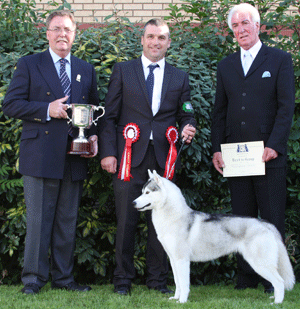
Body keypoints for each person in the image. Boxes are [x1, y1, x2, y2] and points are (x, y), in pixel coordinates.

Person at [2, 10, 99, 294]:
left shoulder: (85, 68)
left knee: (67, 222)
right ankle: (32, 280)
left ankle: (64, 279)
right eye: (56, 29)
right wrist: (47, 109)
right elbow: (11, 104)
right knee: (38, 223)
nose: (62, 34)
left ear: (74, 34)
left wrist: (92, 138)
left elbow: (92, 111)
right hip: (40, 154)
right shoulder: (30, 64)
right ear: (47, 33)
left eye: (68, 30)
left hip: (73, 154)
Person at [99, 18, 196, 295]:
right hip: (129, 158)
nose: (156, 42)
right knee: (126, 221)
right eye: (151, 36)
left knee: (163, 225)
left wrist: (189, 126)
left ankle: (158, 280)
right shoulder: (123, 70)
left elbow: (186, 112)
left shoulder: (180, 76)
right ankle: (122, 281)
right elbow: (110, 117)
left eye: (162, 38)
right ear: (142, 40)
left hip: (163, 160)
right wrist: (108, 152)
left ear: (168, 42)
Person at [211, 3, 295, 293]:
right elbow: (219, 111)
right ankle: (245, 278)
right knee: (242, 221)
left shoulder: (280, 60)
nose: (241, 30)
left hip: (268, 156)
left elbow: (286, 108)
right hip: (236, 157)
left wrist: (274, 145)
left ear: (258, 25)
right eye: (235, 26)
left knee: (271, 221)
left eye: (245, 23)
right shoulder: (226, 65)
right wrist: (217, 149)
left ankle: (275, 280)